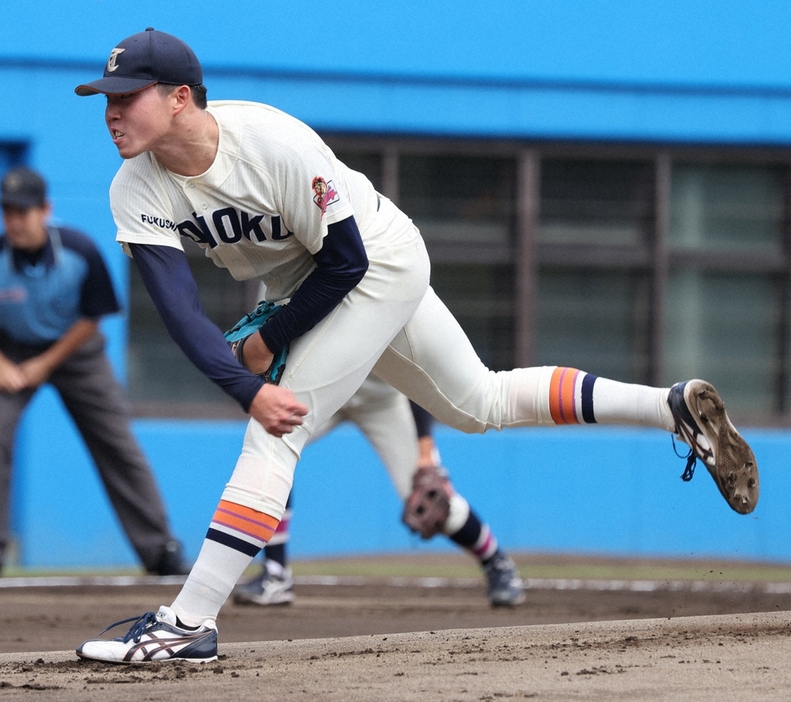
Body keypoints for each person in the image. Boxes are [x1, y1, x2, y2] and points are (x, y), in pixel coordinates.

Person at [72, 28, 758, 664]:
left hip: (377, 258)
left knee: (275, 435)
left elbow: (346, 263)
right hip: (308, 279)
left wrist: (270, 346)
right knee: (480, 402)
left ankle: (188, 625)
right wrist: (244, 381)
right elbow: (179, 309)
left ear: (180, 97)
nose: (111, 112)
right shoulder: (135, 186)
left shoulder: (274, 144)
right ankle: (668, 408)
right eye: (107, 99)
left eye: (125, 97)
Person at [0, 165, 188, 577]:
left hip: (77, 350)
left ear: (45, 210)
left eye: (24, 211)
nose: (15, 221)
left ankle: (161, 550)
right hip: (10, 351)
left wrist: (43, 364)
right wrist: (5, 366)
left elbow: (94, 315)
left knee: (117, 443)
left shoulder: (79, 250)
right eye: (9, 211)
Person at [233, 374, 525, 608]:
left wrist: (425, 452)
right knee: (272, 447)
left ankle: (496, 562)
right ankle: (275, 574)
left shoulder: (388, 296)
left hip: (384, 399)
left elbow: (418, 368)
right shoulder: (287, 296)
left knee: (436, 502)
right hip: (323, 389)